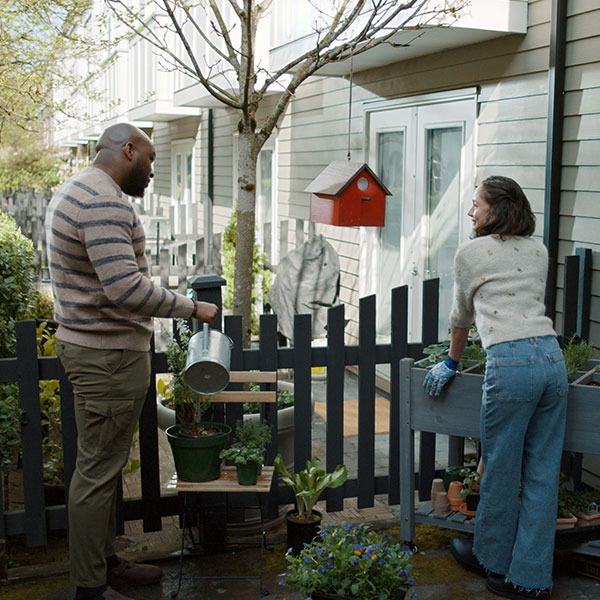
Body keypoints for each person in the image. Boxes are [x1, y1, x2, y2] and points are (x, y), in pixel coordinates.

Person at [46, 123, 218, 600]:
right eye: (151, 158)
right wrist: (192, 307)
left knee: (99, 467)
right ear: (128, 150)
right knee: (98, 472)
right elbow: (125, 288)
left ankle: (104, 564)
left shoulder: (76, 189)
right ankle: (90, 587)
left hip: (97, 350)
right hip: (107, 357)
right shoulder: (101, 201)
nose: (153, 169)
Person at [423, 176, 568, 599]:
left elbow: (460, 317)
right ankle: (532, 578)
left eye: (476, 205)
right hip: (551, 360)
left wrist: (451, 361)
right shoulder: (538, 250)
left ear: (496, 209)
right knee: (542, 473)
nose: (471, 213)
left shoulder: (470, 253)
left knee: (501, 471)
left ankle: (496, 564)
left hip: (512, 363)